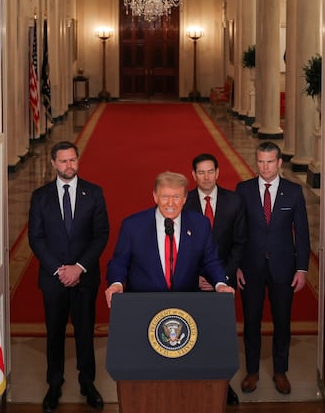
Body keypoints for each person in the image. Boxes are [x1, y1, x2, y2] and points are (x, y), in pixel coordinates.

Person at [28, 141, 109, 412]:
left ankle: (88, 383)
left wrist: (79, 268)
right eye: (63, 161)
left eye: (73, 160)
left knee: (85, 332)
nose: (69, 166)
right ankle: (55, 384)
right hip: (53, 279)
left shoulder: (94, 193)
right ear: (53, 163)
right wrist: (59, 269)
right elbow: (36, 238)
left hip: (84, 278)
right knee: (55, 332)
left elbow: (101, 235)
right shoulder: (40, 197)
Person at [235, 141, 311, 396]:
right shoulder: (243, 190)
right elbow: (238, 232)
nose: (264, 167)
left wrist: (302, 269)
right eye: (260, 161)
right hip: (251, 267)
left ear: (279, 163)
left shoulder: (293, 192)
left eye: (269, 162)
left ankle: (280, 371)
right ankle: (252, 371)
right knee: (252, 321)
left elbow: (301, 233)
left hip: (283, 268)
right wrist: (236, 267)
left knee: (282, 321)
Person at [105, 171, 235, 306]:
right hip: (143, 304)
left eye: (177, 197)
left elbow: (211, 260)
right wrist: (116, 284)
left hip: (186, 305)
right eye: (165, 197)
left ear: (185, 198)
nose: (171, 203)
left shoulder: (200, 224)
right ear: (155, 196)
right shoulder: (133, 225)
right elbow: (119, 262)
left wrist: (220, 284)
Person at [186, 153, 247, 405]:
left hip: (223, 283)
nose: (206, 177)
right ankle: (193, 382)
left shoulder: (234, 202)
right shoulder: (185, 202)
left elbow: (239, 243)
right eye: (201, 172)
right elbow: (179, 247)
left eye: (210, 171)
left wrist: (221, 278)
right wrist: (197, 276)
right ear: (193, 175)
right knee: (193, 333)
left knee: (220, 335)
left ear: (218, 173)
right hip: (192, 282)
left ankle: (224, 386)